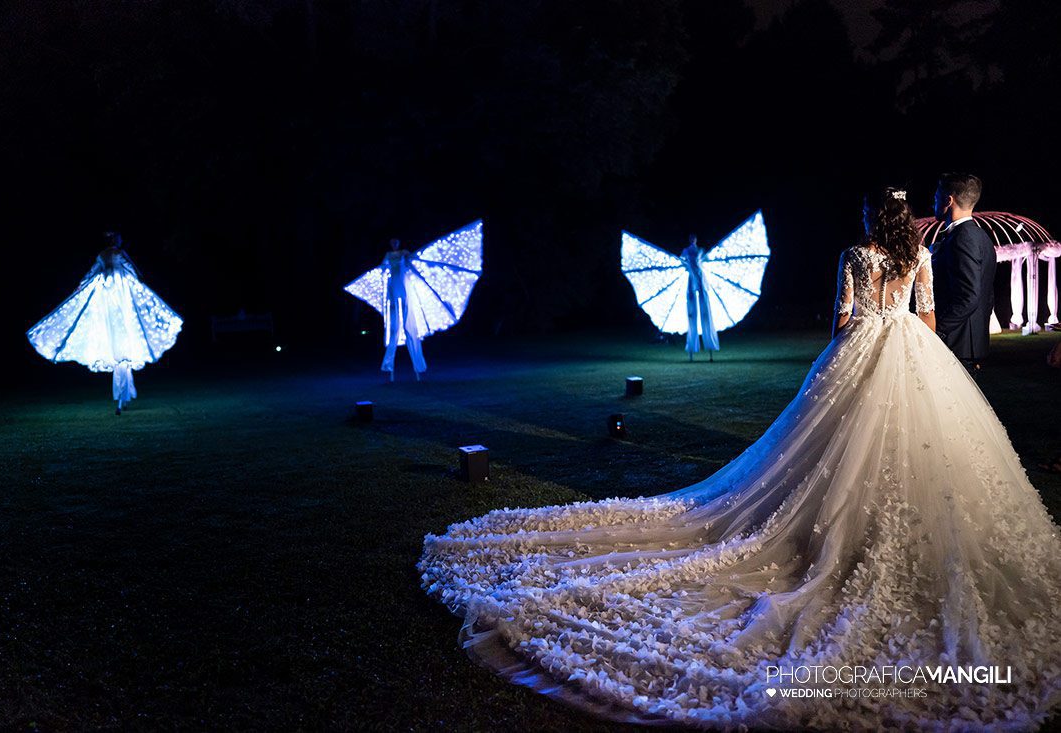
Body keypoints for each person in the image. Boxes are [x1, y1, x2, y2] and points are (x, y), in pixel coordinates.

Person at [418, 188, 1061, 730]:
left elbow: (843, 321)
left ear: (871, 220)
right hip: (913, 356)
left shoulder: (856, 256)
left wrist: (844, 354)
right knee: (924, 454)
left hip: (864, 351)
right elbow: (922, 318)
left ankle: (822, 532)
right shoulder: (919, 255)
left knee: (820, 455)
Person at [27, 232, 183, 414]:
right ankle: (123, 397)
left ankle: (123, 397)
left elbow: (97, 271)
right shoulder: (116, 254)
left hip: (113, 298)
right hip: (115, 299)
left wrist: (83, 282)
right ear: (115, 241)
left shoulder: (106, 255)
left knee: (121, 354)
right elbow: (134, 271)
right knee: (121, 352)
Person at [930, 173, 997, 372]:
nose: (933, 204)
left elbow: (969, 296)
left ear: (948, 200)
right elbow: (988, 295)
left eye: (935, 198)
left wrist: (936, 329)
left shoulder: (964, 237)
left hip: (957, 343)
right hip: (968, 343)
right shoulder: (981, 236)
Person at [380, 238, 427, 381]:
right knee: (394, 329)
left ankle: (417, 368)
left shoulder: (403, 252)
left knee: (409, 326)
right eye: (392, 242)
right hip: (393, 288)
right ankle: (390, 369)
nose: (394, 244)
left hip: (403, 287)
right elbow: (382, 266)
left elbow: (413, 258)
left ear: (399, 243)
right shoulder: (388, 254)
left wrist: (406, 260)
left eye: (396, 242)